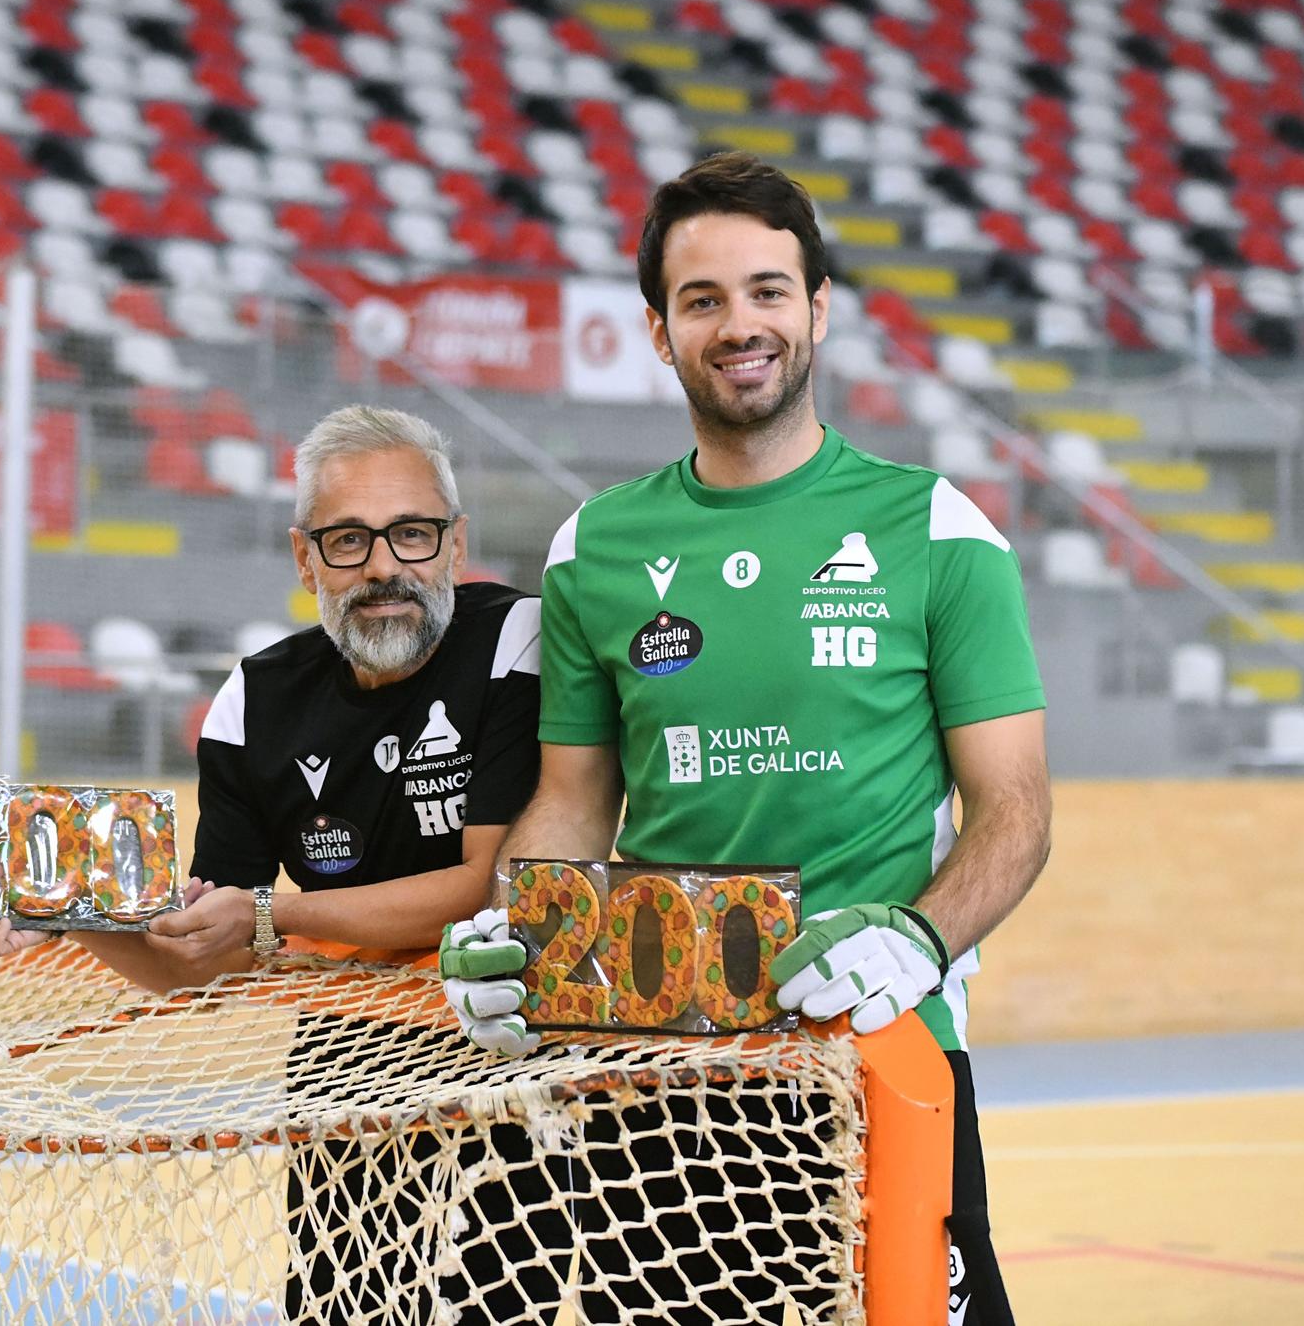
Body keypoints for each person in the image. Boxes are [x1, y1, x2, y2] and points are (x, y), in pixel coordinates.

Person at [441, 151, 1051, 1326]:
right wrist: (516, 928)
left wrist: (916, 940)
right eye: (702, 299)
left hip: (875, 1057)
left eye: (768, 290)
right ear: (659, 332)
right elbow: (573, 802)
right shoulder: (592, 548)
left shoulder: (934, 527)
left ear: (817, 309)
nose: (739, 324)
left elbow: (1014, 813)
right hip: (658, 1075)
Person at [0, 404, 549, 1320]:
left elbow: (482, 889)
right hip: (350, 1055)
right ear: (305, 560)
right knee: (341, 1308)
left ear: (456, 546)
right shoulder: (254, 699)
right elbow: (199, 959)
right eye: (347, 540)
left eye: (411, 535)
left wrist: (277, 915)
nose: (384, 567)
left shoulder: (516, 640)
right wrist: (59, 911)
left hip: (510, 1033)